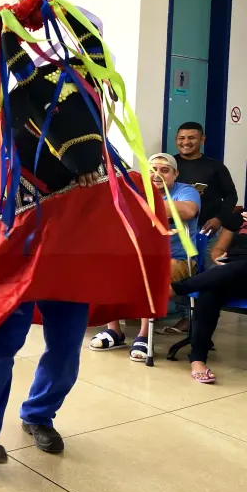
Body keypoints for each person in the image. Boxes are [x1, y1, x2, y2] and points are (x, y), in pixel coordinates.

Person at [0, 0, 175, 465]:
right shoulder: (20, 103)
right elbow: (1, 181)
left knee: (65, 347)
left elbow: (96, 53)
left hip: (73, 248)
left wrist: (53, 10)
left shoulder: (91, 93)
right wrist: (15, 22)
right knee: (4, 341)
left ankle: (39, 413)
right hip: (22, 242)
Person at [88, 153, 199, 360]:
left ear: (175, 174)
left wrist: (139, 204)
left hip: (179, 260)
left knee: (148, 273)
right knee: (105, 270)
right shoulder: (137, 190)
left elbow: (188, 211)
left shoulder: (186, 191)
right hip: (138, 258)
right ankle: (114, 330)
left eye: (165, 170)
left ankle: (144, 336)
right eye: (152, 170)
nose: (157, 174)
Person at [163, 121, 238, 334]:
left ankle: (204, 320)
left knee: (207, 275)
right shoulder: (170, 165)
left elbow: (231, 195)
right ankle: (186, 318)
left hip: (208, 230)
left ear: (202, 140)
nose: (186, 142)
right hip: (178, 234)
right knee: (181, 273)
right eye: (181, 138)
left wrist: (219, 219)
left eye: (191, 138)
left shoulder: (215, 166)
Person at [171, 210, 247, 383]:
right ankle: (198, 359)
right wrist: (218, 259)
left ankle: (177, 288)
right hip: (230, 273)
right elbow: (218, 249)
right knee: (210, 292)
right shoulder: (239, 217)